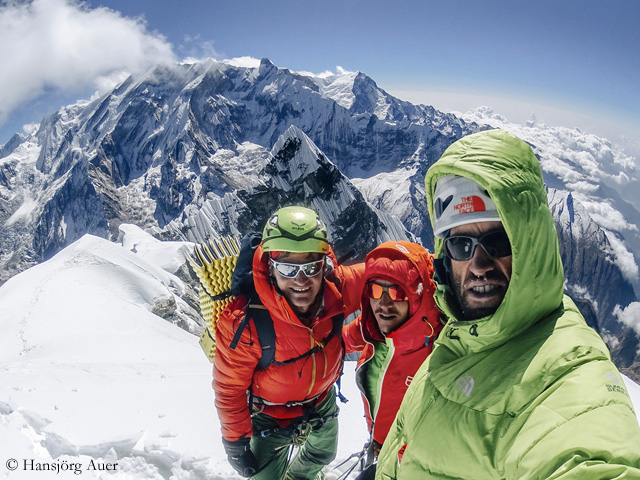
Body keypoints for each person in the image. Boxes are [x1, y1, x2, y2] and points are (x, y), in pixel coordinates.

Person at [377, 129, 640, 479]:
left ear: (531, 246)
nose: (479, 264)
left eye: (497, 241)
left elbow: (585, 448)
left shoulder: (568, 377)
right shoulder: (461, 335)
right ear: (445, 256)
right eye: (460, 245)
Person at [213, 205, 365, 480]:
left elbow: (386, 274)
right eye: (287, 267)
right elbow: (229, 388)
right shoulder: (243, 323)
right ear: (270, 267)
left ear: (325, 265)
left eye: (311, 266)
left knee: (322, 455)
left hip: (320, 402)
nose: (301, 280)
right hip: (268, 416)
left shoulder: (336, 289)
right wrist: (235, 442)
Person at [342, 241, 442, 469]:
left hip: (414, 463)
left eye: (397, 293)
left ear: (417, 297)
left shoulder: (440, 345)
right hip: (379, 447)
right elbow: (332, 343)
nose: (384, 304)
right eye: (376, 290)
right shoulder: (372, 330)